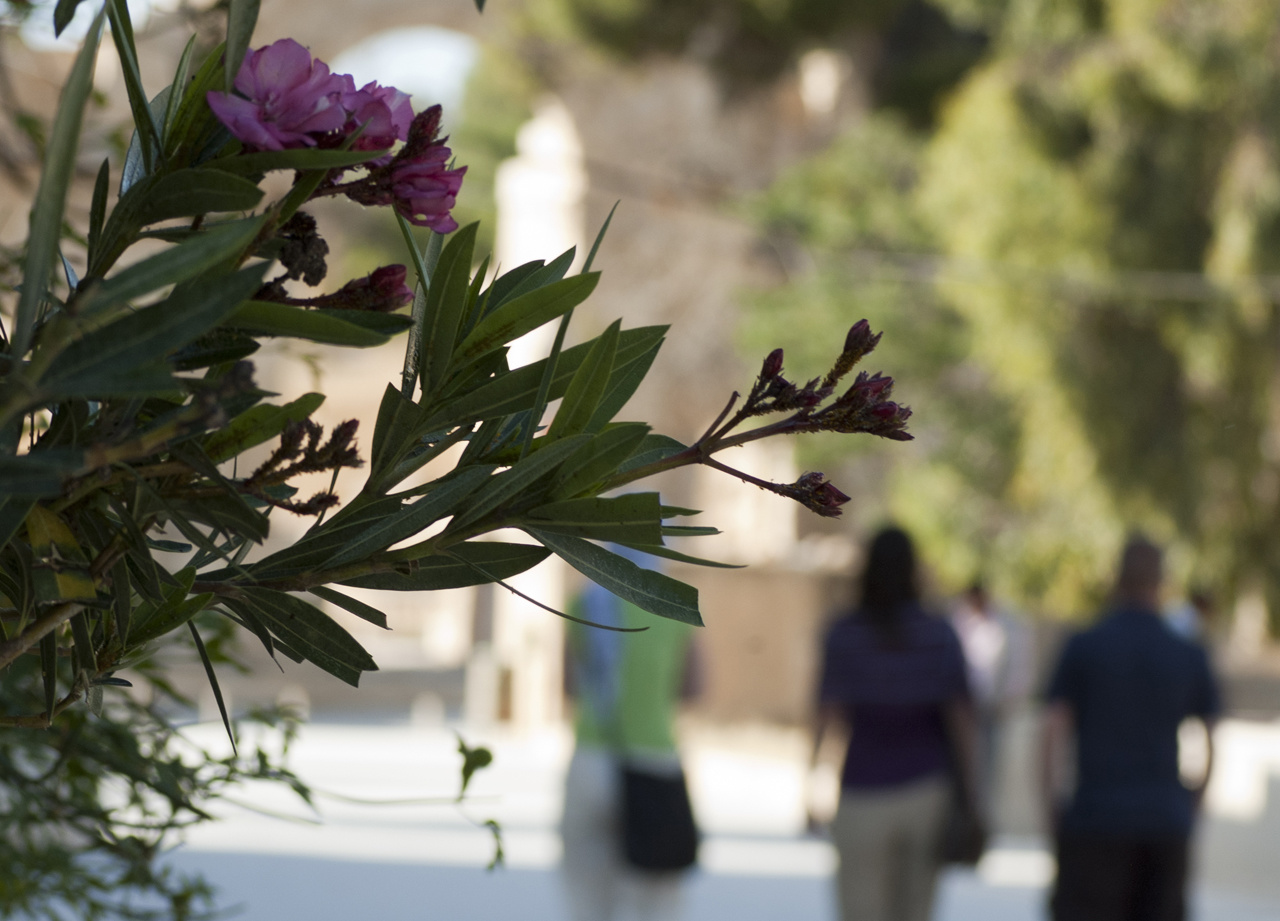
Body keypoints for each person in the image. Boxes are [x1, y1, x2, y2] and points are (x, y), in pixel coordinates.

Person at [1040, 536, 1222, 921]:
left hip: (1096, 818)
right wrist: (1192, 806)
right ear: (1162, 582)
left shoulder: (1084, 645)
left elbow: (1052, 730)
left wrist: (1052, 806)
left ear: (1116, 579)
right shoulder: (1187, 652)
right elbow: (1210, 741)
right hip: (1163, 820)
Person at [811, 526, 980, 921]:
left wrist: (810, 781)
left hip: (861, 793)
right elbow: (962, 721)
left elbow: (827, 714)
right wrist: (973, 796)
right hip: (927, 791)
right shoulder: (939, 635)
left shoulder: (844, 634)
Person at [560, 573, 698, 921]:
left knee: (588, 899)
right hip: (654, 760)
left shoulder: (585, 600)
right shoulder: (677, 604)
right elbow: (694, 686)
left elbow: (570, 685)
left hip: (593, 756)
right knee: (657, 900)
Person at [950, 581, 1034, 810]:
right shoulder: (959, 622)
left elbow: (1017, 662)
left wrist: (1011, 697)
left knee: (990, 765)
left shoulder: (1005, 623)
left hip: (993, 706)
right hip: (964, 706)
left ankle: (982, 811)